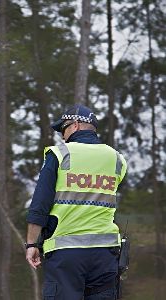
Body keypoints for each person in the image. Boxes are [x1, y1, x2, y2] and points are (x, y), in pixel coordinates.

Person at [25, 104, 127, 300]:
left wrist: (31, 244)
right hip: (106, 254)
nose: (62, 136)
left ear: (76, 125)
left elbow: (40, 205)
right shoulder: (117, 159)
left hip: (66, 254)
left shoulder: (59, 154)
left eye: (63, 128)